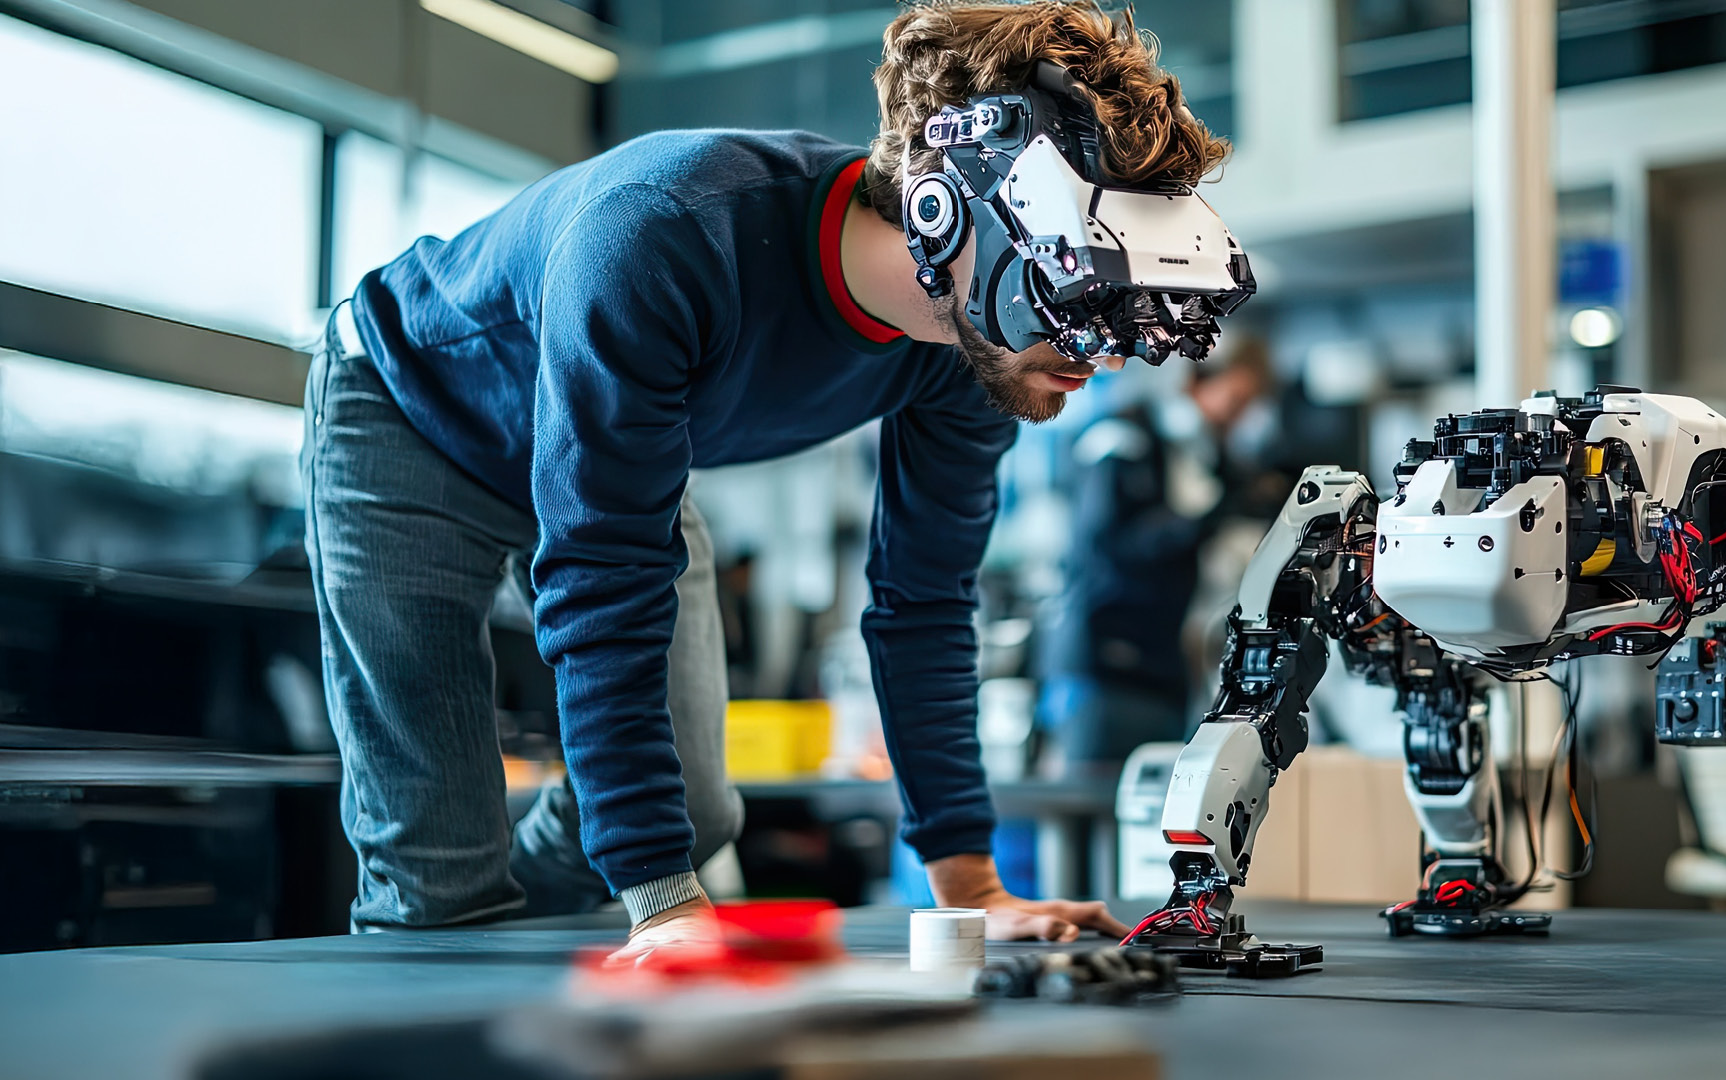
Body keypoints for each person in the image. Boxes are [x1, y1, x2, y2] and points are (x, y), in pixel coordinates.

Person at [303, 0, 1237, 961]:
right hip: (410, 420)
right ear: (941, 207)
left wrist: (973, 889)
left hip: (616, 464)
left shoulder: (974, 346)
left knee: (694, 815)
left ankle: (527, 904)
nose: (1101, 355)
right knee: (446, 870)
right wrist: (664, 905)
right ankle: (472, 901)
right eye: (1072, 290)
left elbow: (924, 602)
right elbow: (603, 573)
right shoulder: (665, 232)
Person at [1037, 339, 1276, 768]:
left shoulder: (1205, 455)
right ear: (1197, 381)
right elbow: (1115, 544)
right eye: (1235, 400)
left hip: (1165, 666)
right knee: (1094, 810)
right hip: (1107, 666)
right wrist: (1212, 516)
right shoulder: (1120, 437)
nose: (1236, 418)